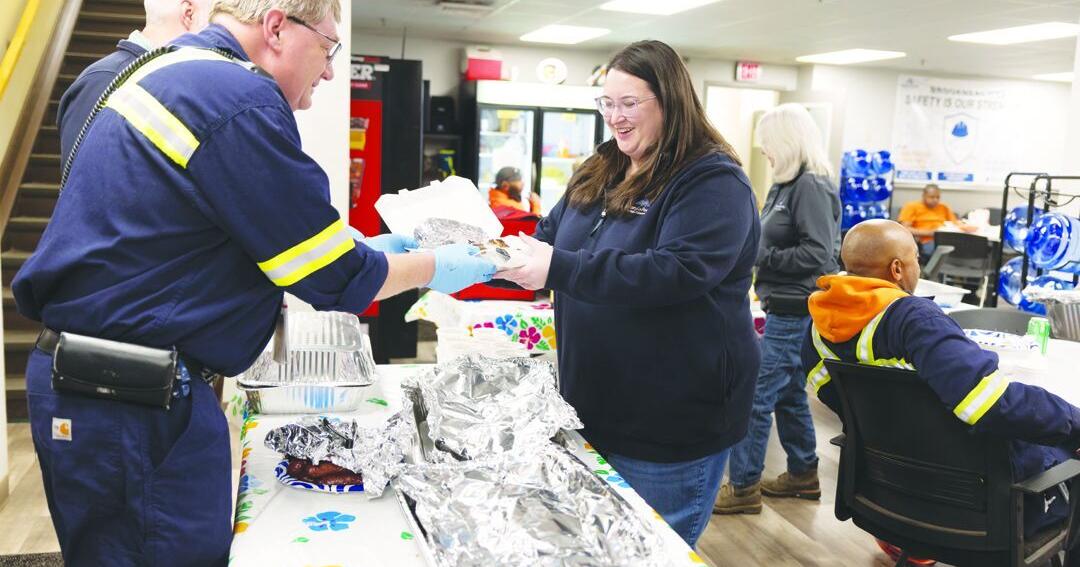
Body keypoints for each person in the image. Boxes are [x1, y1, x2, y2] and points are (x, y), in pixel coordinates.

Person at [12, 1, 495, 564]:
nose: (332, 69)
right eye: (329, 47)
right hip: (127, 398)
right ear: (275, 28)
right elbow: (336, 279)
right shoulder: (235, 98)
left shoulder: (170, 72)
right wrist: (441, 264)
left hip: (104, 385)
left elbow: (251, 242)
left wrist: (362, 251)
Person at [499, 40, 761, 547]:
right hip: (592, 405)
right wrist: (485, 244)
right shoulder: (603, 167)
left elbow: (675, 272)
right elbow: (549, 237)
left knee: (646, 553)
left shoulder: (711, 181)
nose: (615, 118)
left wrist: (558, 266)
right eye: (607, 103)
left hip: (670, 422)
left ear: (670, 100)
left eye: (628, 104)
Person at [802, 219, 1080, 542]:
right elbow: (989, 405)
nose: (918, 267)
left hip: (890, 488)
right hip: (978, 504)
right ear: (896, 269)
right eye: (916, 259)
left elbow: (839, 399)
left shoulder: (818, 325)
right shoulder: (914, 320)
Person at [713, 103, 840, 515]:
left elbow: (820, 255)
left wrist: (762, 255)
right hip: (780, 305)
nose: (763, 151)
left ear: (787, 141)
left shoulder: (811, 187)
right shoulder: (783, 186)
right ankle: (803, 473)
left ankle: (744, 486)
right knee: (787, 394)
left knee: (754, 396)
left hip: (796, 310)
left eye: (767, 144)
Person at [58, 0, 212, 170]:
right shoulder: (107, 79)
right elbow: (84, 182)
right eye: (216, 21)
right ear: (189, 14)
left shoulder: (169, 78)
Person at [897, 184, 976, 259]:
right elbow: (905, 229)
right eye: (932, 197)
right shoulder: (911, 207)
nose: (935, 200)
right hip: (928, 240)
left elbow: (955, 224)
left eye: (938, 197)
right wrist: (931, 232)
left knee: (970, 247)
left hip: (947, 238)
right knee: (948, 252)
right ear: (924, 196)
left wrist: (966, 227)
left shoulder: (943, 207)